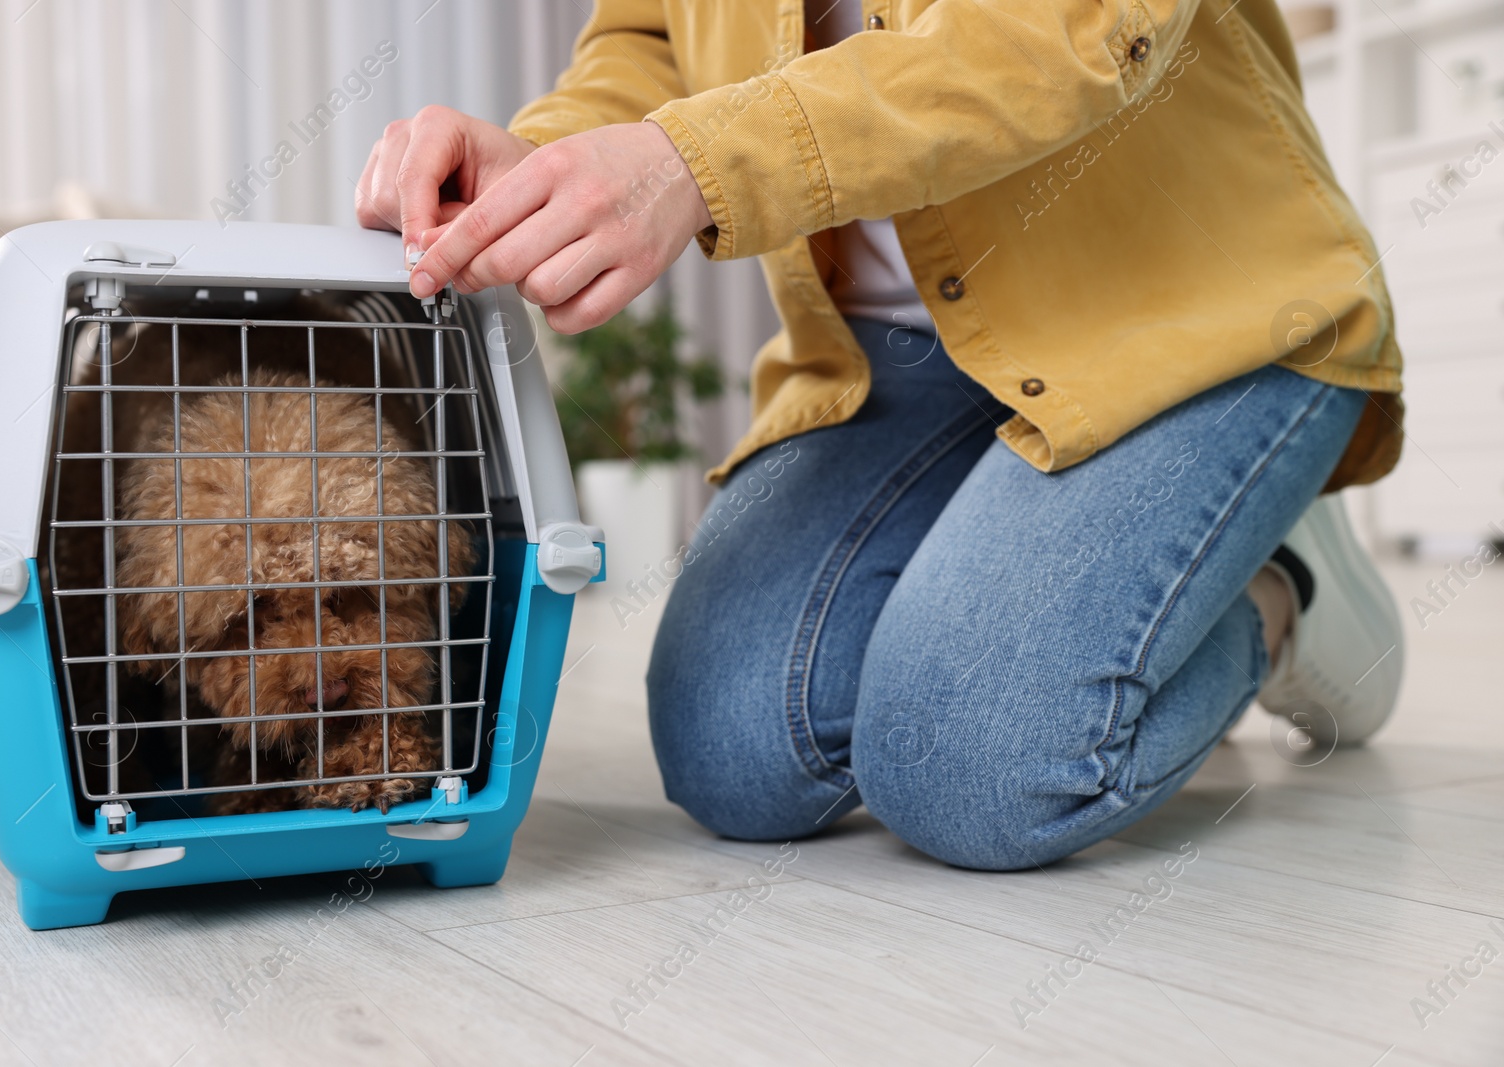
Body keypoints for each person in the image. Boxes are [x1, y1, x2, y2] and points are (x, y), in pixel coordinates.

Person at [356, 0, 1405, 870]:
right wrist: (546, 153)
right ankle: (1059, 553)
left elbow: (1060, 34)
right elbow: (647, 38)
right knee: (730, 751)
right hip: (893, 357)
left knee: (977, 770)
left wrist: (695, 161)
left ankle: (1277, 586)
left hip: (1189, 316)